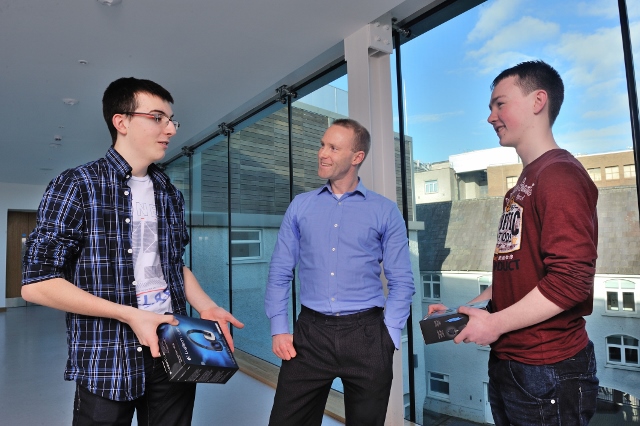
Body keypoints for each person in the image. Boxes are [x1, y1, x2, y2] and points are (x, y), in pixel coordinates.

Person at [22, 77, 243, 426]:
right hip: (106, 355)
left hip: (173, 347)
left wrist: (206, 305)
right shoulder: (77, 185)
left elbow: (172, 265)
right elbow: (37, 284)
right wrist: (129, 314)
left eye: (171, 120)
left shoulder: (169, 192)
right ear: (121, 122)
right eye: (157, 117)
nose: (170, 128)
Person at [430, 60, 599, 425]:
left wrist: (495, 324)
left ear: (538, 100)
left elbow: (571, 280)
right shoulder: (524, 183)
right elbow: (516, 275)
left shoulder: (560, 176)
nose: (491, 116)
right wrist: (463, 313)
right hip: (513, 363)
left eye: (499, 104)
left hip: (548, 368)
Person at [264, 118, 415, 426]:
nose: (322, 153)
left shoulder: (384, 211)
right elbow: (280, 271)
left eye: (333, 147)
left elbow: (402, 281)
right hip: (309, 334)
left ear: (356, 157)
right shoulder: (300, 206)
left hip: (368, 335)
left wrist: (390, 335)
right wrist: (280, 327)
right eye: (322, 145)